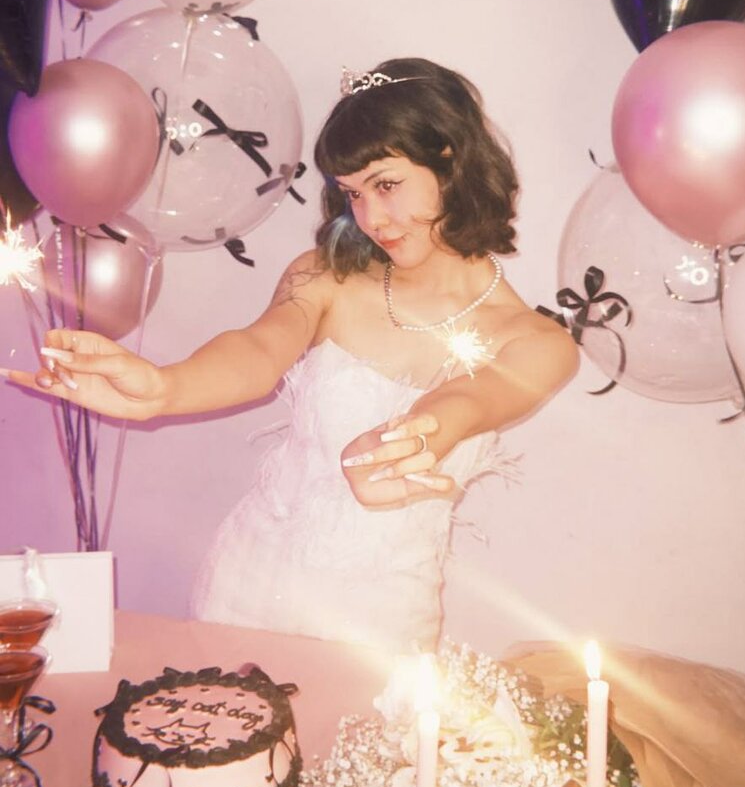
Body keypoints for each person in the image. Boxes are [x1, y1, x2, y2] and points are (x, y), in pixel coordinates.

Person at [5, 58, 578, 653]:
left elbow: (469, 399)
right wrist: (164, 388)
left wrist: (415, 435)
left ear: (451, 161)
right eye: (353, 193)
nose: (371, 218)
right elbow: (258, 348)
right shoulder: (326, 276)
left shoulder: (537, 343)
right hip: (247, 584)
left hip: (383, 619)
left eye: (386, 184)